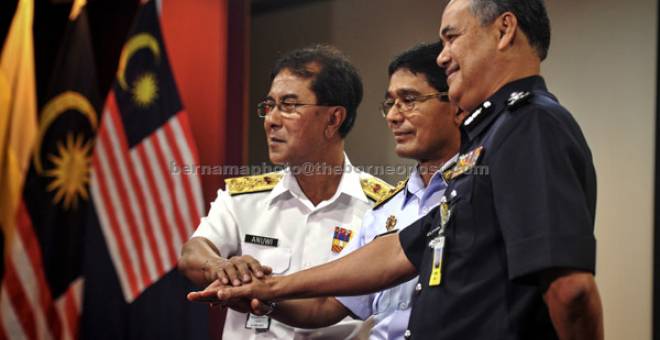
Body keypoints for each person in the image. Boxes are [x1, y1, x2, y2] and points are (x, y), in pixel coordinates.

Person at [192, 0, 604, 339]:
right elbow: (400, 250)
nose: (444, 55)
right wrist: (272, 288)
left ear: (505, 29)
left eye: (451, 37)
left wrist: (271, 287)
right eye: (390, 102)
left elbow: (570, 291)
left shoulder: (528, 123)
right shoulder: (488, 143)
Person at [211, 42, 462, 340]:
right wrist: (261, 298)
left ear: (457, 103)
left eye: (409, 100)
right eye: (390, 103)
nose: (394, 115)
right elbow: (326, 306)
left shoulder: (476, 187)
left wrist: (271, 288)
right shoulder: (385, 210)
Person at [178, 44, 394, 339]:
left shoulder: (384, 207)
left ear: (333, 119)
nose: (271, 120)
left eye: (289, 106)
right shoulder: (245, 195)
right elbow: (192, 253)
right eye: (269, 106)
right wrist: (220, 266)